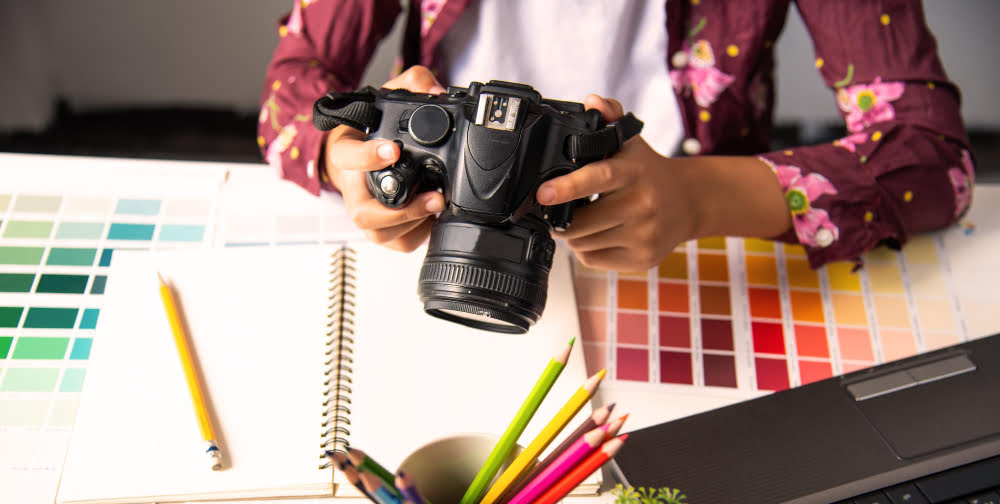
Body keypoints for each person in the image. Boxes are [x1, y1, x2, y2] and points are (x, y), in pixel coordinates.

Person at [258, 0, 974, 272]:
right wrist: (351, 156)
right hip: (439, 228)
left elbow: (932, 155)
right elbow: (294, 85)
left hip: (698, 248)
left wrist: (698, 199)